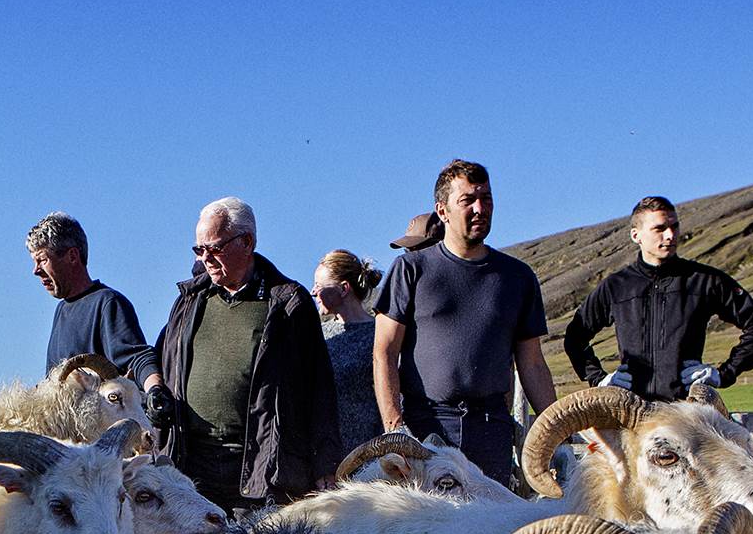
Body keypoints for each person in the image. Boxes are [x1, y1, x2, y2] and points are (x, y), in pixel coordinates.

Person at [148, 197, 341, 513]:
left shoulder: (288, 303)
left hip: (261, 472)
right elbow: (156, 358)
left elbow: (319, 387)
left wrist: (327, 461)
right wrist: (153, 389)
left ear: (247, 242)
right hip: (191, 470)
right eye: (199, 250)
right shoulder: (190, 300)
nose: (206, 259)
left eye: (215, 248)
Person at [373, 160, 556, 486]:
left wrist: (557, 433)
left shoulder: (518, 277)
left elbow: (532, 364)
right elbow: (384, 352)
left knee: (493, 533)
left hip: (491, 430)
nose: (479, 208)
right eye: (468, 200)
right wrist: (395, 430)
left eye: (486, 199)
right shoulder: (410, 270)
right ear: (442, 211)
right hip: (426, 432)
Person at [563, 196, 753, 400]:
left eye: (674, 227)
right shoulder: (616, 287)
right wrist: (599, 379)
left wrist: (724, 373)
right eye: (660, 228)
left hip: (686, 411)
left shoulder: (705, 281)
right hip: (631, 413)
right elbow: (575, 336)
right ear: (636, 235)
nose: (670, 235)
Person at [28, 212, 162, 385]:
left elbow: (138, 359)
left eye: (43, 260)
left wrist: (155, 391)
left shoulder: (107, 303)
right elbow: (52, 386)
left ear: (72, 256)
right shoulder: (61, 310)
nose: (35, 270)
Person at [311, 250, 386, 449]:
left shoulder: (379, 334)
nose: (313, 292)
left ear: (344, 288)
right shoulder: (318, 334)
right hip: (323, 454)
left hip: (369, 453)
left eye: (319, 286)